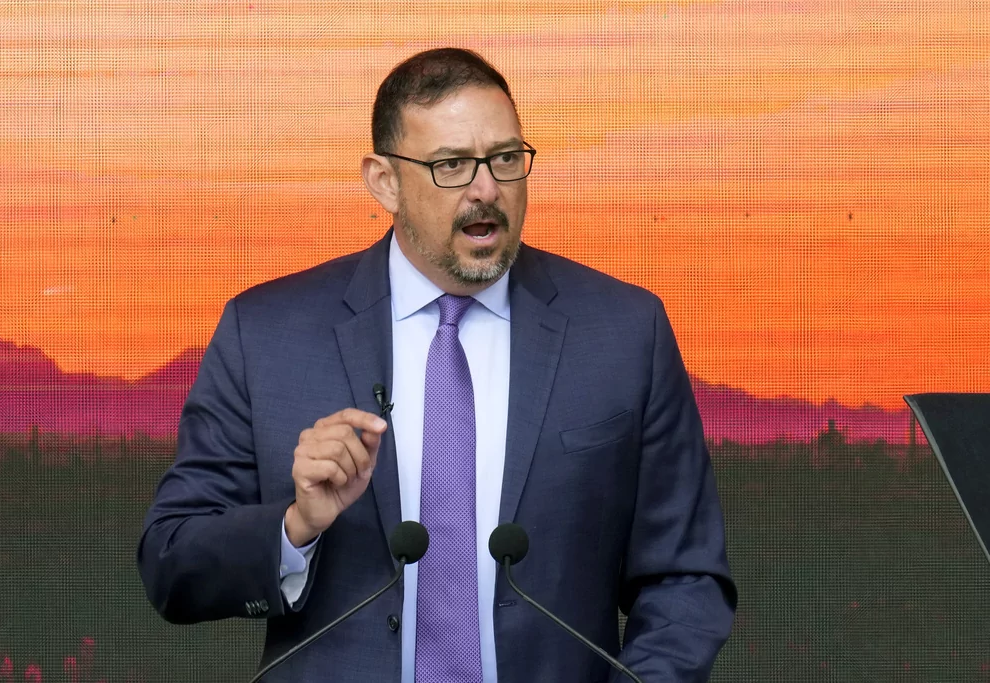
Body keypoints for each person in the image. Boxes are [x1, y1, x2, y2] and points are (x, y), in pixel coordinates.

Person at [137, 47, 737, 683]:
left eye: (505, 159)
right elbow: (173, 565)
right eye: (451, 165)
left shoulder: (622, 331)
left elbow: (686, 578)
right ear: (384, 181)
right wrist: (296, 526)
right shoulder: (266, 333)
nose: (486, 190)